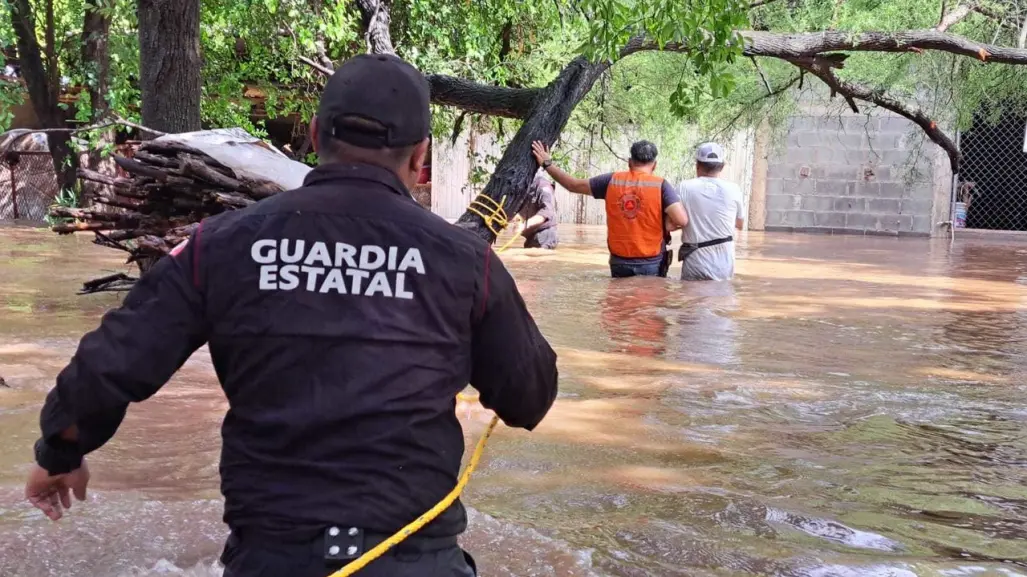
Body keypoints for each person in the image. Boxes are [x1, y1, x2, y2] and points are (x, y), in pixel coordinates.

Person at [24, 54, 559, 577]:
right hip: (415, 556)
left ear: (313, 133)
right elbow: (529, 398)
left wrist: (60, 450)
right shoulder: (466, 261)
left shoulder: (222, 245)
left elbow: (108, 365)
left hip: (270, 557)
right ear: (421, 157)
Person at [531, 140, 688, 278]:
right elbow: (681, 220)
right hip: (650, 262)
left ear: (629, 162)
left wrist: (547, 164)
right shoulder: (661, 186)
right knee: (646, 310)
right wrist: (666, 225)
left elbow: (572, 185)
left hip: (619, 262)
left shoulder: (611, 181)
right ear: (655, 165)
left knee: (619, 308)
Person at [676, 142, 746, 281]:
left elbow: (674, 221)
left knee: (691, 300)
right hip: (724, 262)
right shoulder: (734, 189)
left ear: (697, 165)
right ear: (722, 167)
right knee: (722, 300)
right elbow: (740, 224)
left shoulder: (684, 187)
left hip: (695, 260)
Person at [510, 172, 559, 249]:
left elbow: (546, 212)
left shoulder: (544, 187)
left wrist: (524, 225)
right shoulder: (523, 187)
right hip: (531, 237)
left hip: (545, 236)